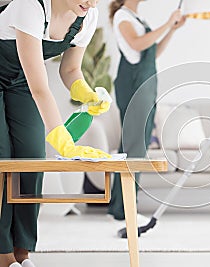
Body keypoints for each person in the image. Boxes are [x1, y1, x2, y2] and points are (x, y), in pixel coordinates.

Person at [0, 0, 111, 266]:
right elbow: (40, 88)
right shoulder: (31, 8)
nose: (92, 2)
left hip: (22, 82)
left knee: (32, 158)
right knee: (2, 159)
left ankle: (21, 250)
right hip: (28, 81)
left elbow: (70, 69)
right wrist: (63, 140)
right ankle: (3, 254)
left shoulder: (86, 16)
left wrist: (86, 93)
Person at [107, 0, 185, 236]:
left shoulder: (137, 18)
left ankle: (121, 206)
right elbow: (137, 43)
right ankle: (124, 208)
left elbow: (154, 51)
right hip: (133, 86)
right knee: (134, 146)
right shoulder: (123, 16)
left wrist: (172, 28)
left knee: (134, 145)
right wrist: (167, 22)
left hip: (146, 85)